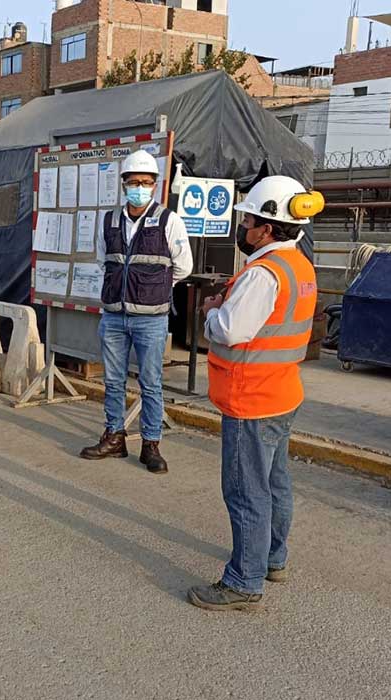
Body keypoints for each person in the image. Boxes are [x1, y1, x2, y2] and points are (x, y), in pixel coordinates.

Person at [187, 175, 323, 612]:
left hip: (252, 399)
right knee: (275, 482)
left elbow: (233, 330)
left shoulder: (263, 273)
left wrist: (211, 314)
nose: (242, 226)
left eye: (247, 219)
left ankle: (244, 581)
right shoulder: (298, 264)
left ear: (266, 228)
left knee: (247, 491)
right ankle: (272, 558)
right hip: (282, 393)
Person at [80, 150, 193, 474]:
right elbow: (103, 260)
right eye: (134, 182)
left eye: (145, 183)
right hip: (114, 316)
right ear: (124, 185)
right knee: (113, 381)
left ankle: (151, 445)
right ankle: (115, 436)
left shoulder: (169, 221)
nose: (139, 187)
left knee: (150, 383)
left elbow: (183, 267)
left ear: (155, 186)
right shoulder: (109, 220)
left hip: (151, 319)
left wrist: (153, 287)